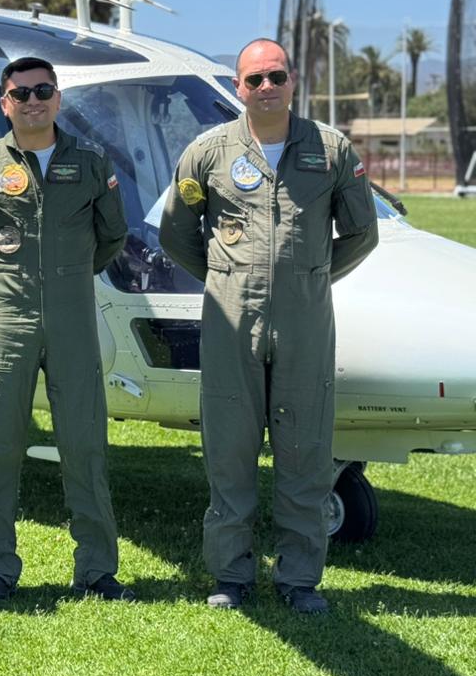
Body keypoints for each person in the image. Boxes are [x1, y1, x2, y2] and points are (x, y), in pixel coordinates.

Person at [159, 38, 379, 614]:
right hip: (231, 320)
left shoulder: (329, 150)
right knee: (230, 451)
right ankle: (230, 577)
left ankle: (299, 580)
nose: (266, 87)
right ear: (238, 87)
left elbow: (361, 232)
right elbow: (176, 233)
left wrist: (309, 278)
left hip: (304, 323)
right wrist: (225, 276)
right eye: (253, 79)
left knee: (304, 450)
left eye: (275, 76)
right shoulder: (208, 152)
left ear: (292, 80)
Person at [0, 56, 132, 603]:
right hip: (8, 323)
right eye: (20, 94)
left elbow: (110, 237)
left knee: (85, 444)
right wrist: (8, 280)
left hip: (72, 322)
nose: (32, 101)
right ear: (5, 104)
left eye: (42, 90)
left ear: (57, 98)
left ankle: (96, 569)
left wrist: (65, 276)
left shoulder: (90, 163)